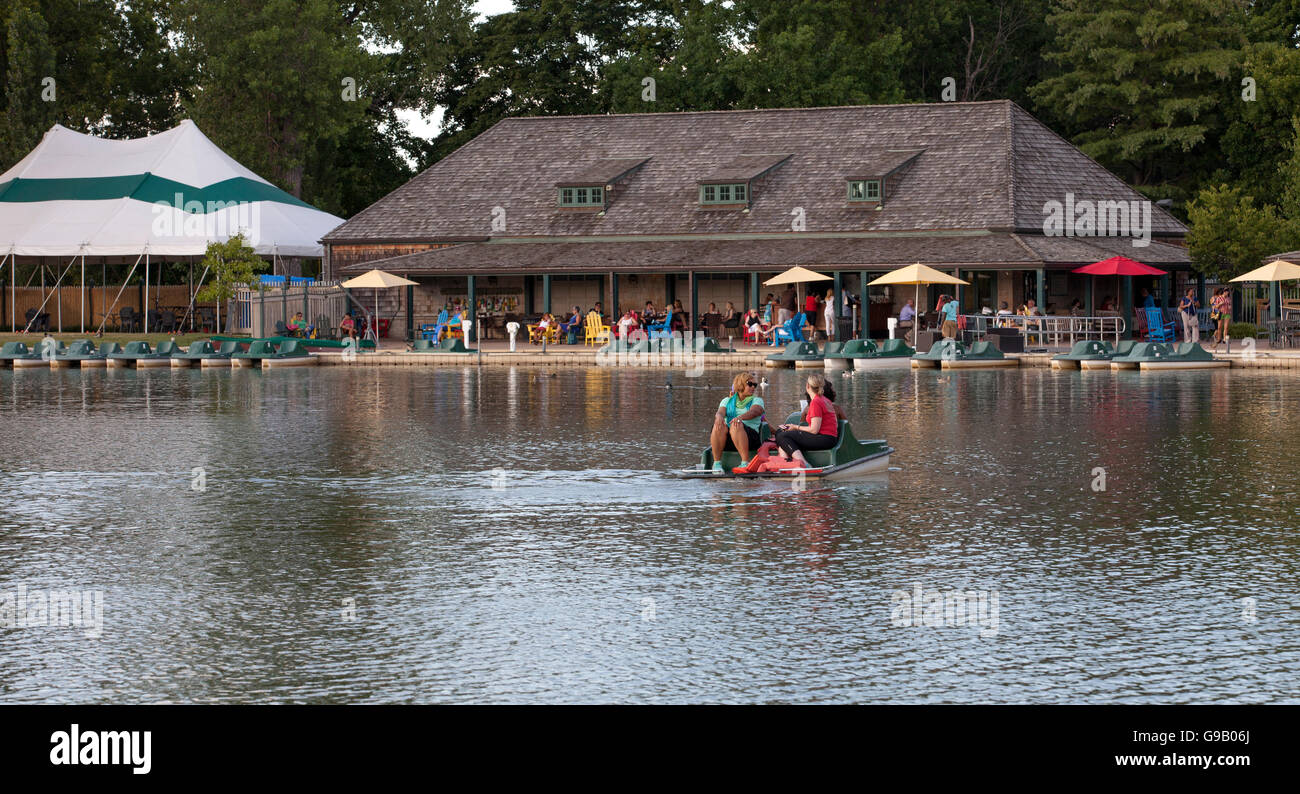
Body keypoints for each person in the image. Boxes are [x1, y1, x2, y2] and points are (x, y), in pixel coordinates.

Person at [770, 374, 839, 470]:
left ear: (807, 386)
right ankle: (785, 463)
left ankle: (804, 464)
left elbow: (814, 430)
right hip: (828, 438)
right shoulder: (824, 400)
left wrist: (795, 427)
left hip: (824, 439)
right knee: (780, 433)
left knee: (782, 436)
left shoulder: (816, 402)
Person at [710, 372, 765, 473]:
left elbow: (755, 412)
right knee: (719, 425)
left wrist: (740, 417)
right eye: (750, 384)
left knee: (736, 424)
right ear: (741, 385)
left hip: (750, 438)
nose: (753, 387)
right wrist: (718, 417)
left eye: (755, 385)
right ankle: (717, 463)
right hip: (729, 438)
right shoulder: (727, 401)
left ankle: (745, 462)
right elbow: (720, 413)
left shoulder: (757, 400)